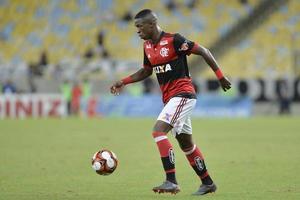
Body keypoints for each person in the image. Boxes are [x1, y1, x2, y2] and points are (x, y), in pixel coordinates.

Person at [110, 9, 231, 195]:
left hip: (183, 94)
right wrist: (123, 81)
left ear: (152, 24)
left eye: (139, 26)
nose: (137, 31)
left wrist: (221, 77)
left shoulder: (175, 40)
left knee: (158, 131)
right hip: (171, 100)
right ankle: (207, 183)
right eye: (136, 27)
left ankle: (171, 181)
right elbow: (146, 71)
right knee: (186, 144)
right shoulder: (148, 47)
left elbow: (204, 51)